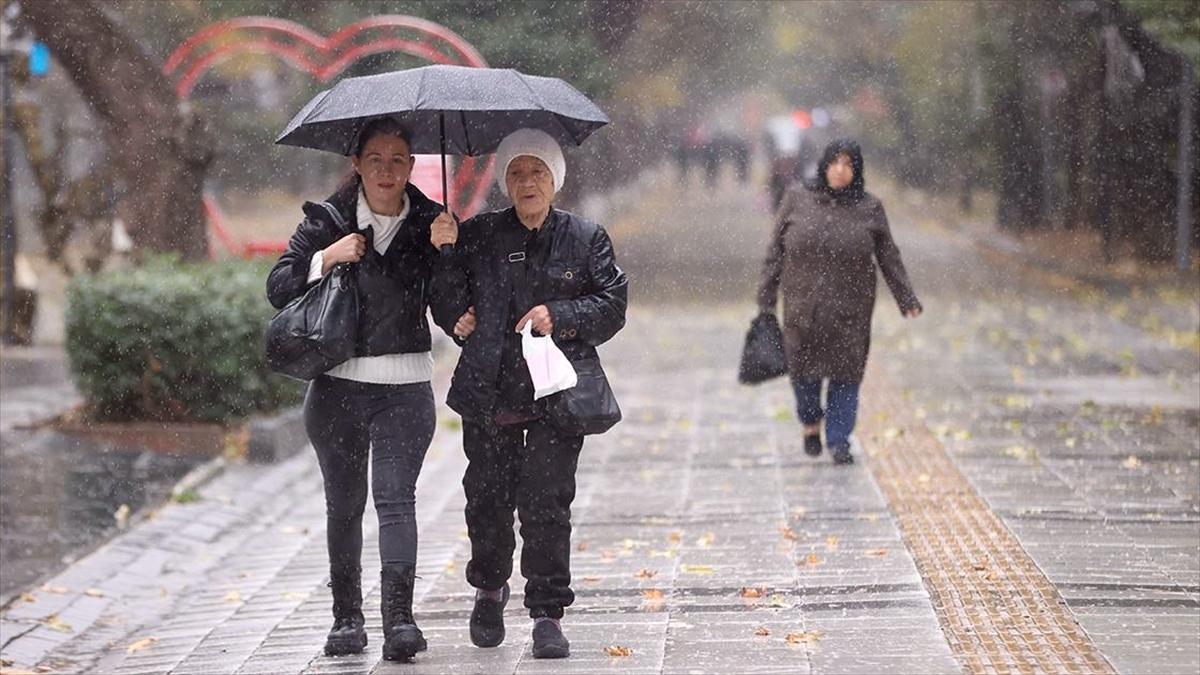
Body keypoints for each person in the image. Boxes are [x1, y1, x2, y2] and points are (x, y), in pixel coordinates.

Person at [429, 128, 627, 659]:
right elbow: (446, 299)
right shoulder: (479, 236)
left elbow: (612, 306)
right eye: (516, 173)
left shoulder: (586, 239)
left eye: (537, 171)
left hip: (554, 400)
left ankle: (546, 614)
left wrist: (558, 315)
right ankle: (489, 589)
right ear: (505, 183)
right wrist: (447, 262)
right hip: (488, 395)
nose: (527, 181)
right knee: (487, 502)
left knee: (546, 504)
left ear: (555, 179)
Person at [266, 117, 457, 661]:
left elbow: (447, 307)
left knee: (396, 501)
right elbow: (278, 287)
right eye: (376, 159)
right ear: (356, 163)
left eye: (398, 159)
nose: (387, 170)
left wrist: (447, 251)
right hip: (336, 392)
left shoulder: (430, 222)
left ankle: (401, 621)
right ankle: (347, 619)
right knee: (344, 506)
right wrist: (328, 257)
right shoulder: (326, 219)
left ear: (412, 165)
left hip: (405, 389)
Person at [758, 138, 922, 465]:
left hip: (852, 310)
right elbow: (775, 252)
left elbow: (889, 255)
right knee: (803, 376)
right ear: (824, 165)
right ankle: (810, 422)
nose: (840, 170)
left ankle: (839, 439)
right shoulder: (796, 200)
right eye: (835, 163)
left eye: (848, 165)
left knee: (846, 376)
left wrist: (906, 297)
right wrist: (766, 297)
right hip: (804, 310)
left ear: (857, 170)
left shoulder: (870, 208)